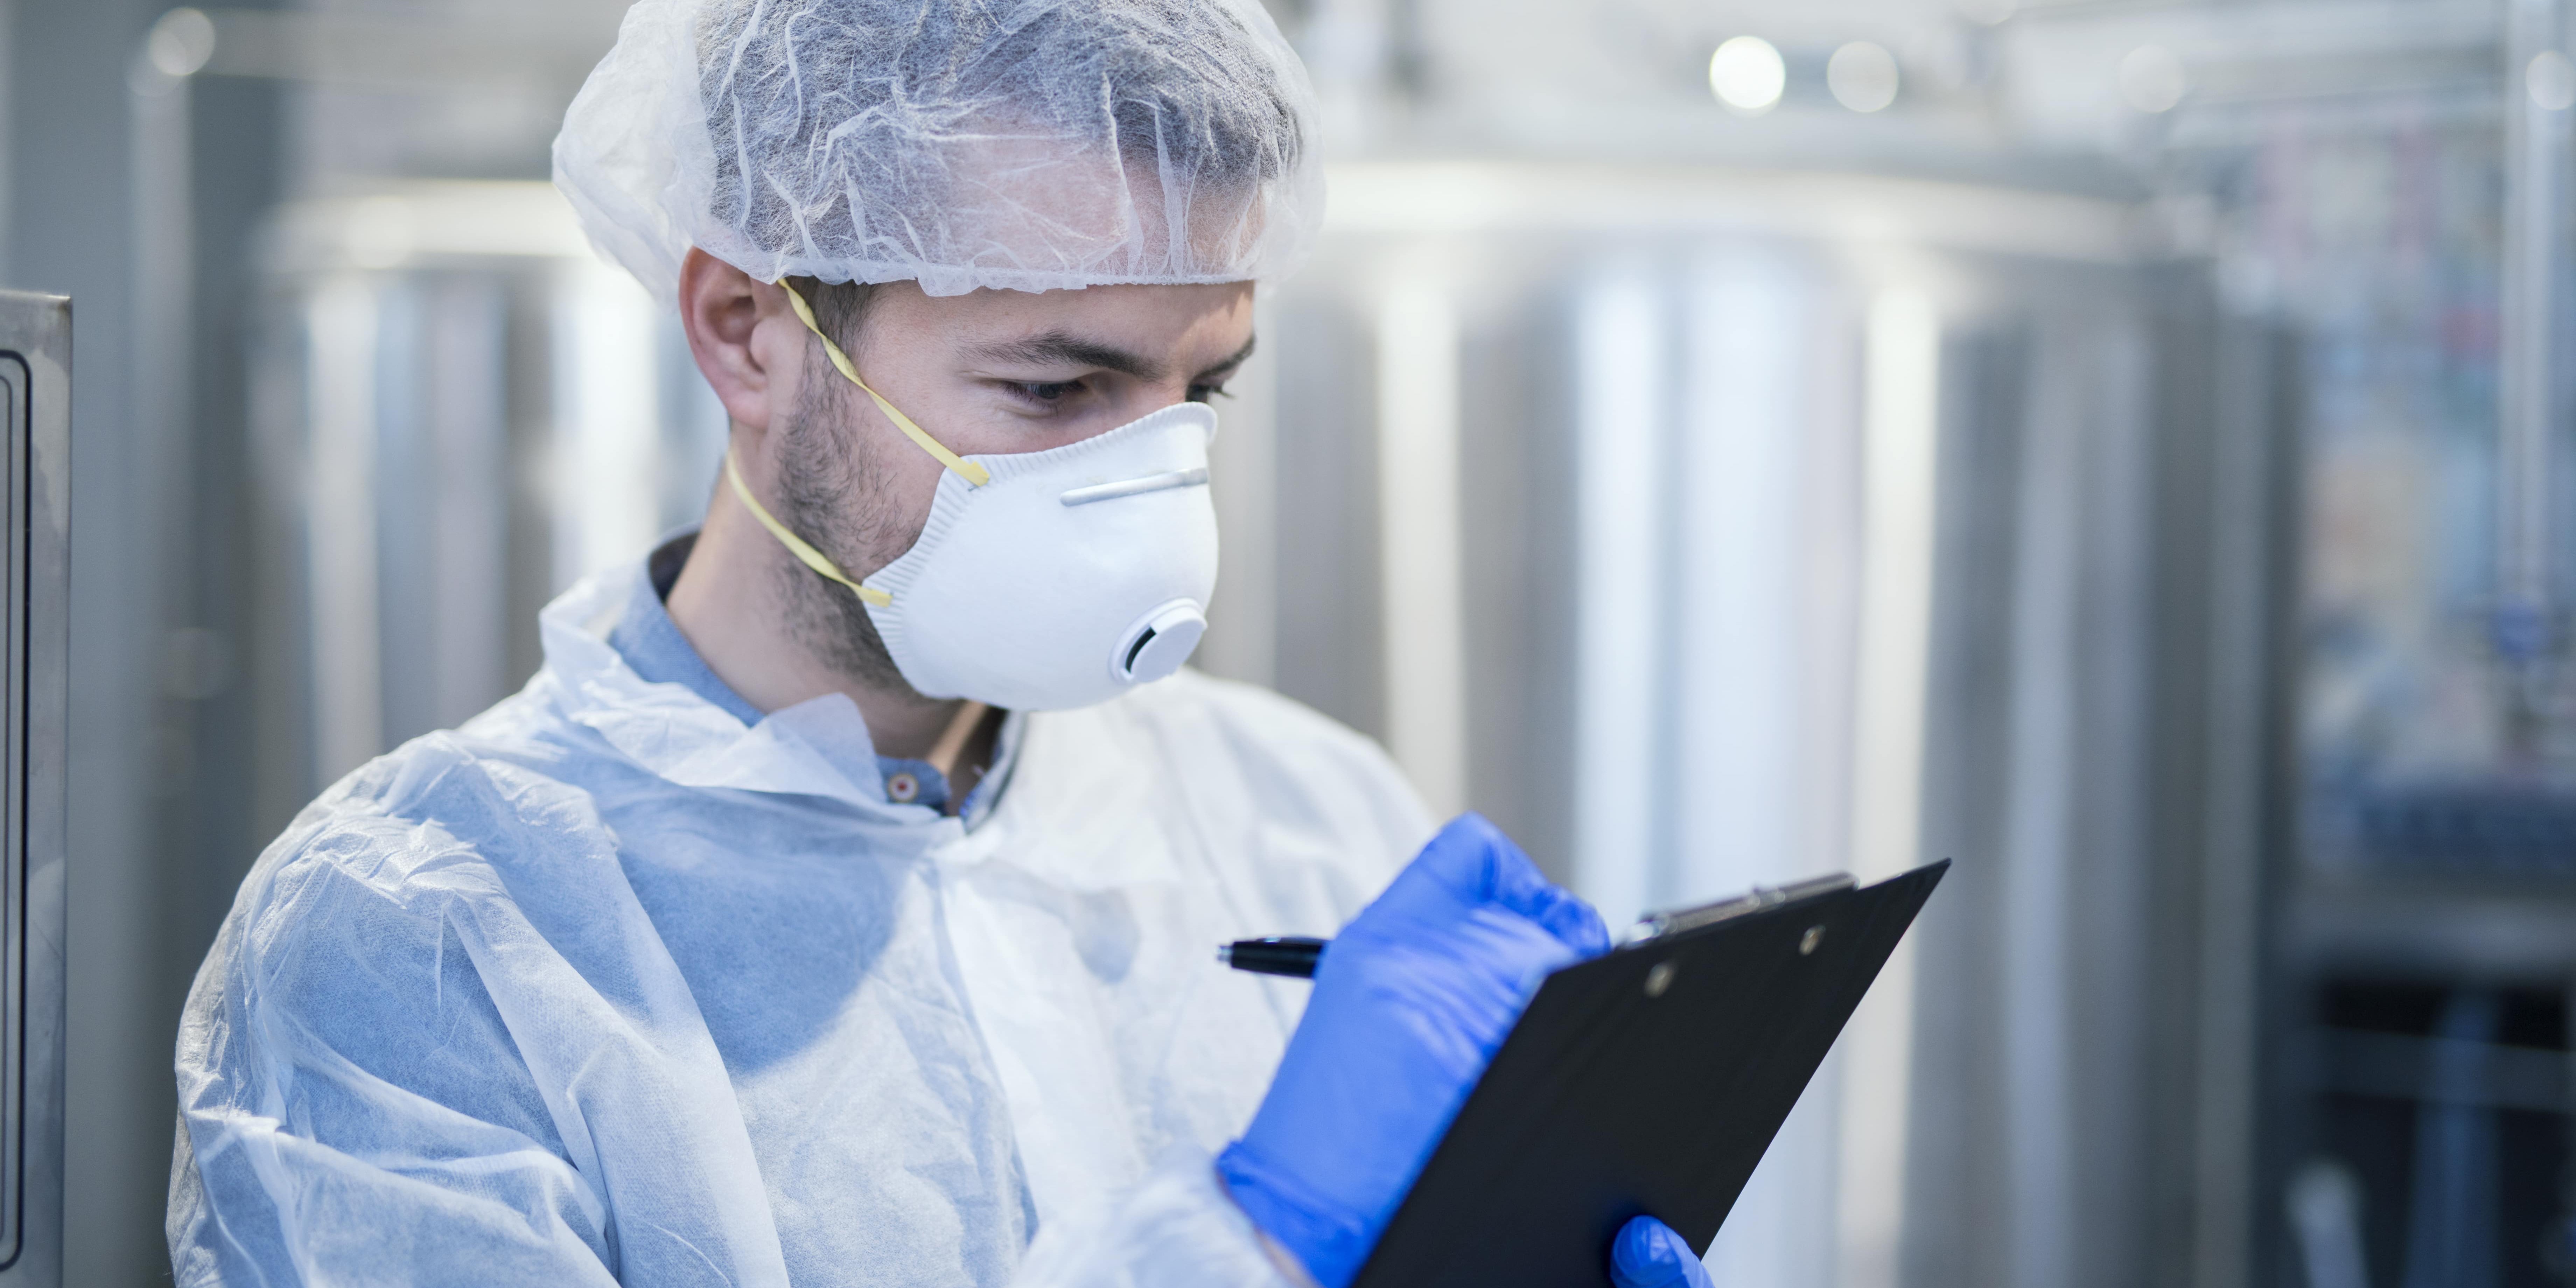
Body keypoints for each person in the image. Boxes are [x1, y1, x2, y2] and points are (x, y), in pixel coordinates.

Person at [167, 2, 1714, 1285]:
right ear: (746, 327)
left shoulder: (1299, 815)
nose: (1147, 487)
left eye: (1203, 393)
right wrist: (1246, 1238)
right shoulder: (416, 948)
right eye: (1053, 390)